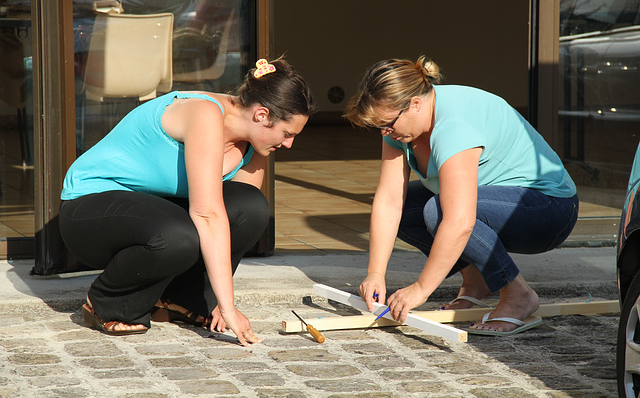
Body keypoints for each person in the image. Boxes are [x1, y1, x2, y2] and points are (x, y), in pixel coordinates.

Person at [59, 58, 315, 345]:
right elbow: (207, 215)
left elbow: (231, 219)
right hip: (91, 209)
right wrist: (229, 306)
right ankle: (108, 301)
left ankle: (184, 300)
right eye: (287, 133)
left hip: (156, 215)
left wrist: (219, 300)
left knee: (251, 208)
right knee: (177, 235)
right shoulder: (204, 113)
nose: (289, 143)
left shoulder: (256, 146)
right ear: (261, 115)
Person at [343, 57, 578, 336]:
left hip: (549, 209)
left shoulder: (453, 126)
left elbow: (460, 221)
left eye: (388, 124)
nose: (385, 132)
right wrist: (375, 274)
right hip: (501, 204)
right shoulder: (399, 125)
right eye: (380, 126)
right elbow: (390, 200)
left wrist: (421, 289)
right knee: (409, 210)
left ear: (414, 104)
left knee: (438, 210)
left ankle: (518, 296)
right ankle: (477, 281)